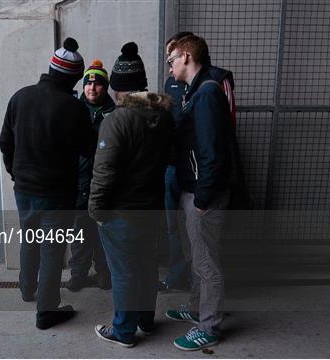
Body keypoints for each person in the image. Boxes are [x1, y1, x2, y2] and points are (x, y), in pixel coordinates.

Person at [0, 37, 95, 330]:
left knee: (29, 240)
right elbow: (89, 149)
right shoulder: (74, 108)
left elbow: (5, 142)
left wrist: (16, 173)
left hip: (24, 191)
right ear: (74, 77)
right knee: (52, 250)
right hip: (57, 195)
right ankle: (46, 311)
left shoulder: (20, 97)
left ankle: (27, 289)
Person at [88, 42, 173, 347]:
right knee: (147, 265)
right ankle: (146, 321)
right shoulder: (163, 117)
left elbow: (104, 173)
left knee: (123, 272)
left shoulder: (117, 120)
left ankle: (123, 331)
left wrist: (96, 212)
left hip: (121, 213)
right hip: (150, 208)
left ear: (118, 88)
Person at [164, 33, 234, 351]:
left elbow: (212, 153)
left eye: (171, 61)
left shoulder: (206, 94)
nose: (169, 68)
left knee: (206, 263)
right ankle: (196, 309)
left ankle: (209, 326)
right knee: (197, 257)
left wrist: (203, 197)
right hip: (192, 189)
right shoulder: (197, 91)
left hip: (203, 195)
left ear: (187, 57)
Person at [66, 60, 115, 292]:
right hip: (78, 183)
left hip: (104, 185)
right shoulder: (73, 110)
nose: (91, 88)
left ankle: (104, 272)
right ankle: (78, 273)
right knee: (79, 233)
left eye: (97, 85)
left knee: (103, 232)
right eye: (88, 84)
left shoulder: (113, 113)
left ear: (105, 87)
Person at [159, 34, 190, 292]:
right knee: (172, 225)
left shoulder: (209, 86)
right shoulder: (171, 84)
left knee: (194, 226)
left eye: (172, 58)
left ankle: (191, 277)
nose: (170, 66)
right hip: (171, 165)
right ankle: (176, 273)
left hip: (193, 168)